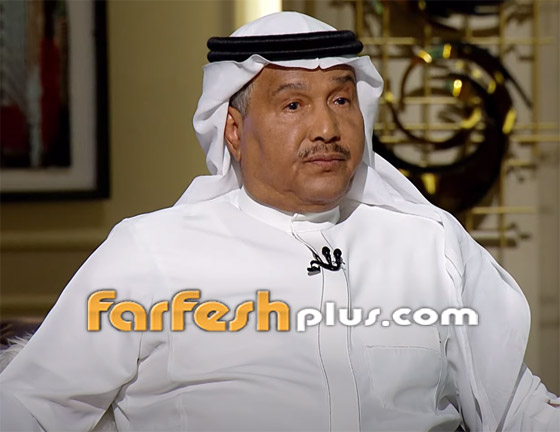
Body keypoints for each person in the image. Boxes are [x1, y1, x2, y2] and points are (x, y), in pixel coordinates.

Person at [0, 11, 558, 432]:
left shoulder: (429, 245)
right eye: (294, 105)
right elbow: (30, 408)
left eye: (341, 101)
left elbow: (516, 408)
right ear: (234, 131)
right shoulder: (150, 253)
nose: (326, 129)